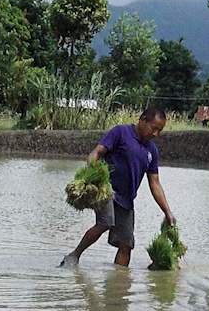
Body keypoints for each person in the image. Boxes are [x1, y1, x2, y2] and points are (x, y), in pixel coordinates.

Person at [61, 107, 177, 267]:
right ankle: (74, 256)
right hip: (106, 191)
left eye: (160, 130)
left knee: (126, 244)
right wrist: (93, 176)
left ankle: (119, 278)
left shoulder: (152, 151)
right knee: (106, 222)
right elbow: (96, 153)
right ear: (142, 120)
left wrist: (167, 212)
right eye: (154, 128)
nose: (156, 134)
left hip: (126, 199)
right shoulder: (121, 133)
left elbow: (155, 183)